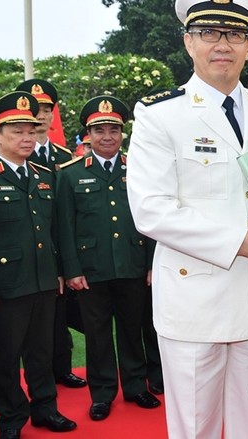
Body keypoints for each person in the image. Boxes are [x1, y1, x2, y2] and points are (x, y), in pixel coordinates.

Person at [125, 0, 248, 438]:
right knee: (196, 429)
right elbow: (151, 210)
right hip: (193, 303)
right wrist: (244, 242)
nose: (222, 44)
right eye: (209, 32)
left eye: (235, 33)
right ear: (188, 41)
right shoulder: (159, 113)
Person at [0, 91, 77, 438]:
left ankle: (45, 409)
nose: (28, 138)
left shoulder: (42, 175)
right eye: (17, 132)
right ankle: (10, 420)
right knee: (6, 360)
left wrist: (58, 273)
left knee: (42, 353)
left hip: (41, 282)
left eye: (32, 131)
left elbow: (53, 231)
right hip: (4, 287)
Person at [56, 96, 160, 421]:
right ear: (88, 135)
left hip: (131, 265)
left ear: (122, 133)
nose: (107, 137)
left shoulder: (140, 169)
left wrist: (152, 264)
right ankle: (101, 394)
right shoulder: (70, 175)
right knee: (98, 336)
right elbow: (63, 227)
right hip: (91, 270)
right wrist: (71, 270)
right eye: (99, 130)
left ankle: (135, 386)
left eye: (113, 129)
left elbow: (155, 220)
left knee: (132, 330)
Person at [15, 78, 87, 390]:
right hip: (26, 254)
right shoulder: (16, 153)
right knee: (31, 324)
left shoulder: (64, 158)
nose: (41, 116)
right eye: (35, 110)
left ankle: (62, 368)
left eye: (46, 109)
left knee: (60, 315)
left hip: (60, 250)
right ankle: (38, 378)